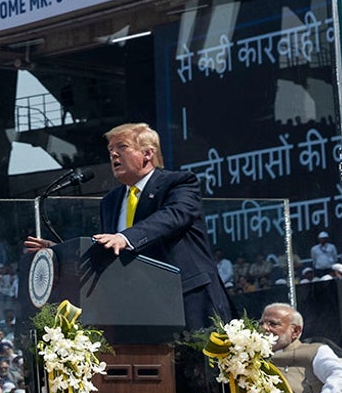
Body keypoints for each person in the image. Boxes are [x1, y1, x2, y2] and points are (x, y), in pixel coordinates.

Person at [25, 121, 233, 331]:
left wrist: (125, 238)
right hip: (141, 309)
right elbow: (109, 248)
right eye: (111, 150)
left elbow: (173, 216)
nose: (114, 155)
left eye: (122, 147)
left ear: (148, 154)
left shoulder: (179, 183)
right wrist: (59, 252)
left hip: (189, 301)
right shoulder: (110, 201)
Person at [260, 303, 342, 393]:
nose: (263, 328)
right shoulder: (253, 357)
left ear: (295, 331)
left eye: (273, 324)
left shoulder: (314, 352)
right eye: (261, 323)